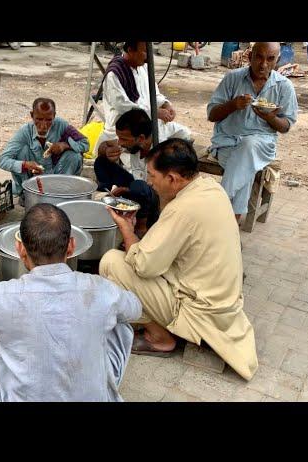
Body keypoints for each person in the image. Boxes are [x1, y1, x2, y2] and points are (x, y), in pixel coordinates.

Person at [0, 203, 142, 402]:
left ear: (20, 249)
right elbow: (135, 309)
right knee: (120, 322)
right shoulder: (102, 290)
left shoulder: (0, 296)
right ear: (71, 246)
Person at [99, 139, 258, 381]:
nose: (150, 182)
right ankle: (156, 322)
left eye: (153, 176)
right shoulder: (210, 188)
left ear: (172, 179)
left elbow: (143, 266)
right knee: (136, 256)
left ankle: (160, 338)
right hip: (223, 304)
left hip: (199, 310)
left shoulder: (182, 209)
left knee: (112, 261)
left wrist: (127, 229)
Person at [207, 42, 298, 220]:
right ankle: (230, 226)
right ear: (250, 57)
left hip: (262, 146)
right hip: (227, 142)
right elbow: (212, 114)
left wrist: (270, 118)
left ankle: (218, 206)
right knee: (245, 167)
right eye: (259, 57)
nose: (263, 64)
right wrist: (233, 105)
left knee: (249, 147)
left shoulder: (284, 86)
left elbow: (286, 126)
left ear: (277, 60)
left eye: (270, 59)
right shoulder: (232, 78)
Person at [94, 40, 192, 179]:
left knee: (185, 135)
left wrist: (165, 105)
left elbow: (154, 94)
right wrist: (154, 113)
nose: (147, 56)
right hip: (125, 129)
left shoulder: (143, 68)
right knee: (139, 169)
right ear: (130, 50)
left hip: (149, 123)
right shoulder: (114, 74)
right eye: (144, 51)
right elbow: (125, 107)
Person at [0, 98, 89, 200]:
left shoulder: (62, 125)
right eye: (39, 119)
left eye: (49, 120)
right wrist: (25, 165)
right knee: (21, 151)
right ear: (32, 116)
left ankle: (62, 192)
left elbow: (85, 144)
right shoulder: (24, 132)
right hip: (33, 178)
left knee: (74, 155)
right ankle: (25, 193)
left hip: (57, 174)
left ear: (54, 116)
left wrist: (64, 145)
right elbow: (3, 160)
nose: (43, 125)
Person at [94, 108, 160, 236]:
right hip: (136, 186)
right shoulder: (134, 143)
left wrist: (128, 190)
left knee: (138, 187)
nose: (120, 142)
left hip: (153, 196)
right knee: (101, 162)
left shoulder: (161, 147)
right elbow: (104, 146)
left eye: (124, 139)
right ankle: (110, 198)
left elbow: (157, 188)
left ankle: (141, 227)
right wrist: (106, 151)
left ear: (141, 138)